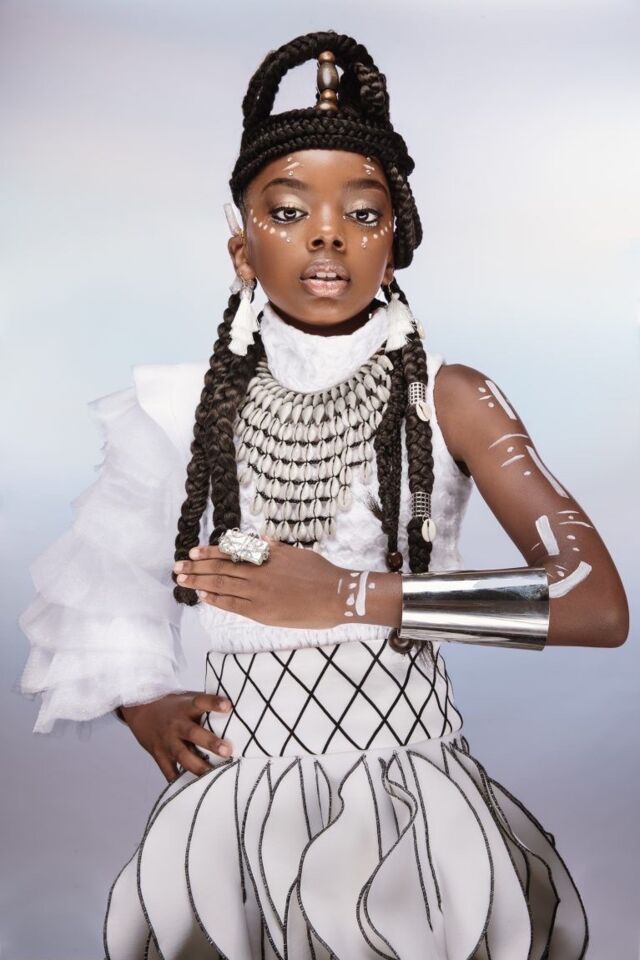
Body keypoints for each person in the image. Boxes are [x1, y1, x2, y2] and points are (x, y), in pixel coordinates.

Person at [19, 30, 628, 960]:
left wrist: (347, 595)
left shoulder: (451, 398)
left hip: (409, 801)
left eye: (364, 212)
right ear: (241, 248)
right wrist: (143, 702)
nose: (328, 232)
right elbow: (106, 582)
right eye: (288, 210)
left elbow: (596, 605)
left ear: (396, 245)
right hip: (234, 804)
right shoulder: (181, 408)